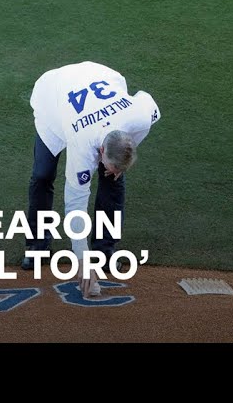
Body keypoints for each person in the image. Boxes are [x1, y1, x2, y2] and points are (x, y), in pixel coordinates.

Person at [22, 60, 161, 298]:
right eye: (106, 163)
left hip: (99, 75)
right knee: (43, 174)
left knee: (113, 180)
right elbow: (75, 204)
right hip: (53, 99)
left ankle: (105, 251)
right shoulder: (83, 144)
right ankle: (37, 246)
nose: (105, 169)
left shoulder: (139, 116)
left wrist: (118, 167)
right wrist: (81, 260)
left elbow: (150, 105)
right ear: (100, 152)